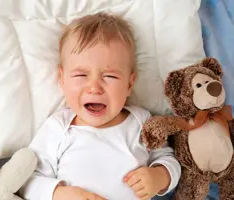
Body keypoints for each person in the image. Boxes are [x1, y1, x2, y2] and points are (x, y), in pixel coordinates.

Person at [19, 12, 181, 200]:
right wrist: (58, 194)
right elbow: (27, 181)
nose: (95, 88)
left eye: (110, 76)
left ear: (129, 84)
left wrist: (159, 177)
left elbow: (170, 160)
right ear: (62, 79)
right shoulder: (58, 128)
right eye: (81, 75)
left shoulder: (141, 122)